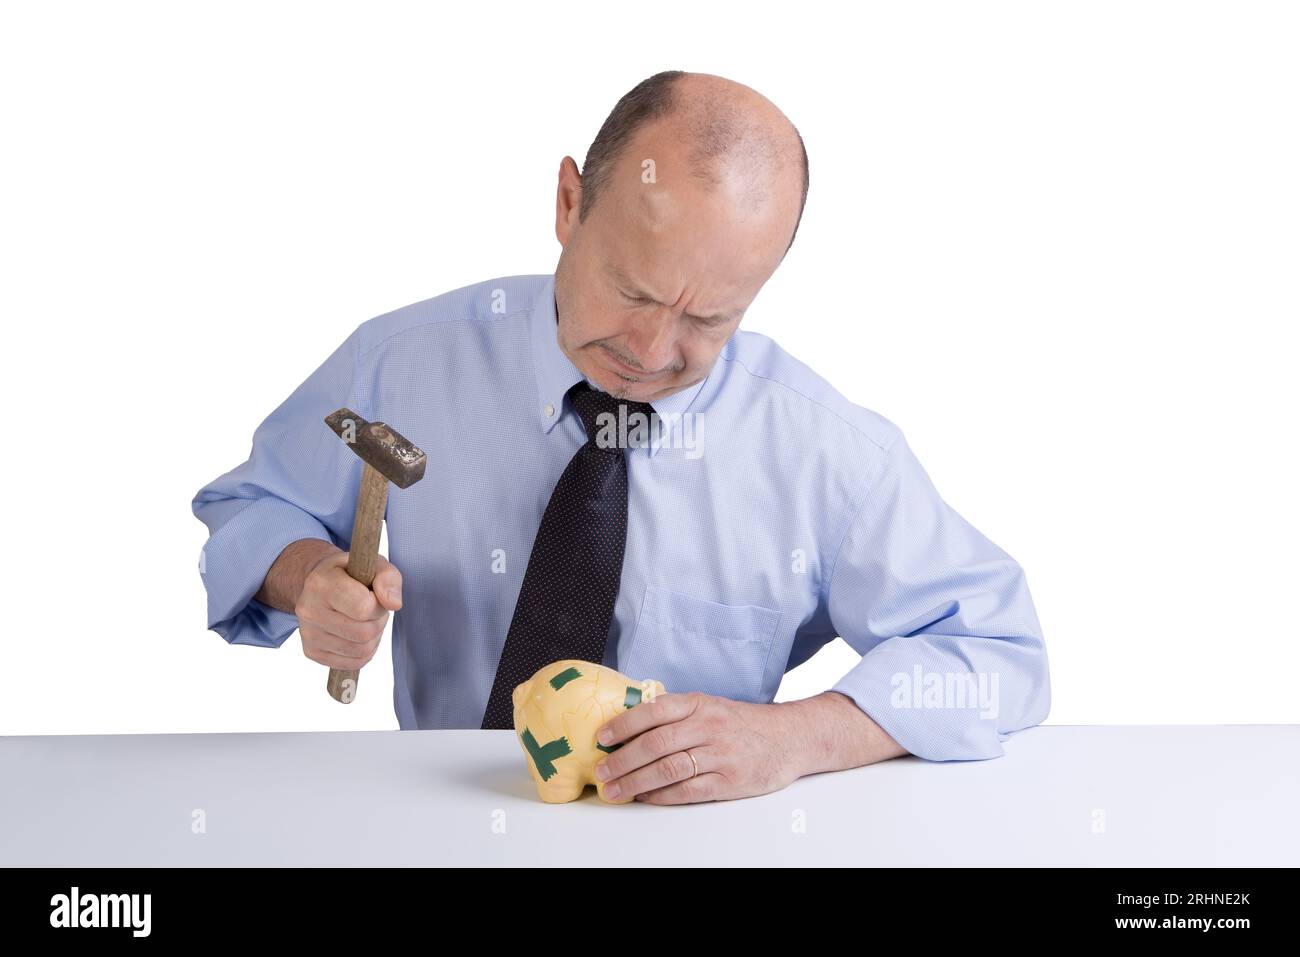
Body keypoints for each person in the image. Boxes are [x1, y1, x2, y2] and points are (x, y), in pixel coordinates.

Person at [192, 70, 1050, 805]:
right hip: (437, 826)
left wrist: (793, 738)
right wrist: (304, 578)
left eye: (708, 318)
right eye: (633, 291)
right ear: (569, 203)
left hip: (700, 847)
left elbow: (998, 654)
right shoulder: (399, 366)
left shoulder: (825, 453)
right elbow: (249, 510)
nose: (649, 353)